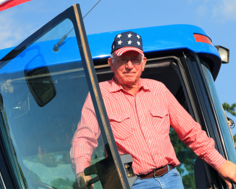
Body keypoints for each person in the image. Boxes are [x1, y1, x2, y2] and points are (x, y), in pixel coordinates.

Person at [70, 31, 236, 189]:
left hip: (172, 179)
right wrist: (81, 172)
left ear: (143, 63)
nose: (129, 65)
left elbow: (191, 132)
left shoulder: (159, 90)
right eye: (122, 59)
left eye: (135, 59)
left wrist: (220, 163)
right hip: (133, 183)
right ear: (111, 63)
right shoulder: (99, 95)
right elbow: (84, 138)